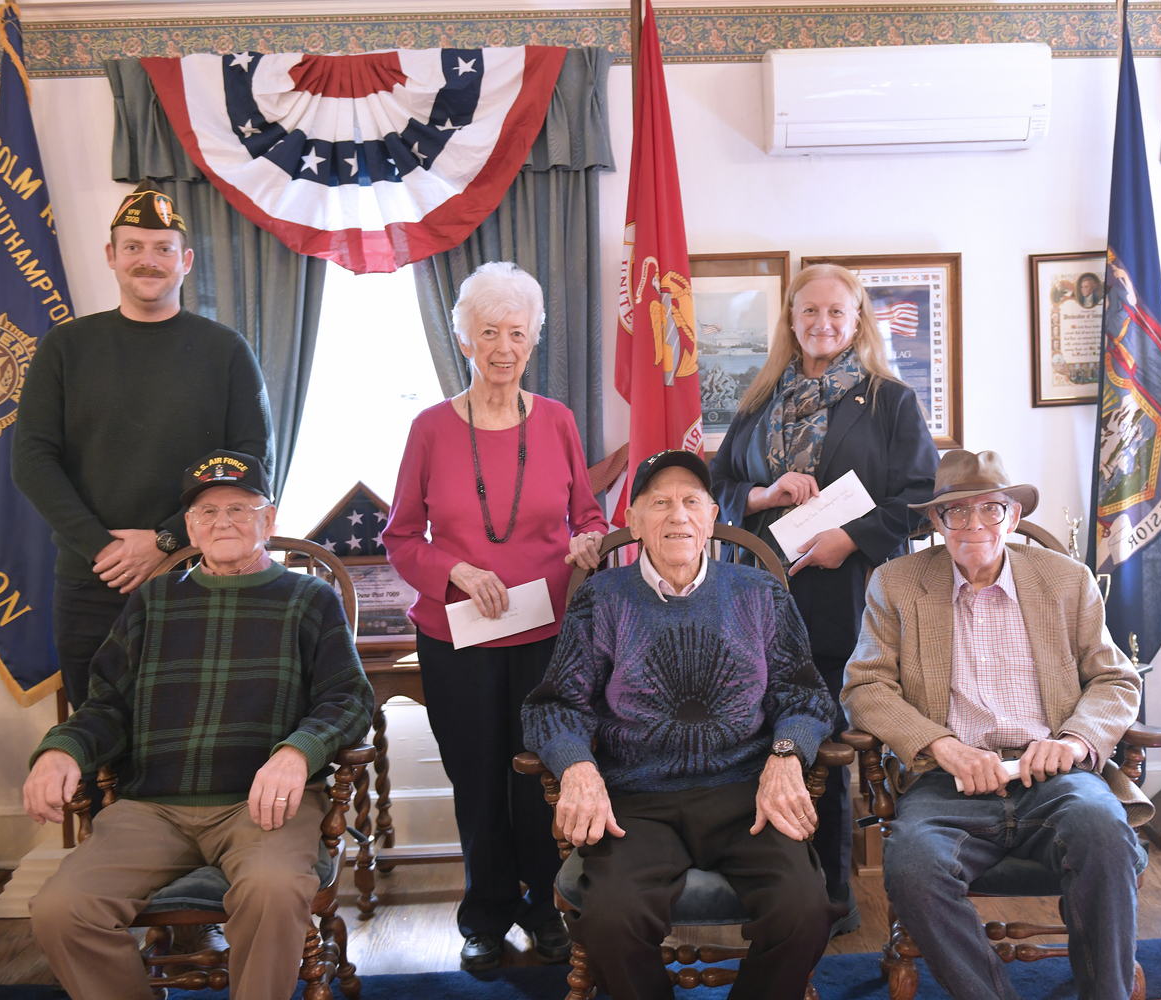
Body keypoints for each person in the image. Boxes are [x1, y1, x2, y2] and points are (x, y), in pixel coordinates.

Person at [23, 449, 373, 1000]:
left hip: (263, 807)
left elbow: (348, 699)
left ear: (269, 518)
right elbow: (106, 703)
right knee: (60, 910)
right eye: (206, 512)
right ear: (189, 525)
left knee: (274, 888)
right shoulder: (152, 601)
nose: (222, 522)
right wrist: (60, 751)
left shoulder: (310, 600)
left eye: (239, 507)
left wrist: (297, 752)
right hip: (152, 808)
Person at [523, 450, 839, 1000]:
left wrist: (787, 754)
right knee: (609, 917)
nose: (678, 516)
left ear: (713, 517)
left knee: (805, 910)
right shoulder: (603, 599)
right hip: (639, 801)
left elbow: (805, 694)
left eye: (692, 502)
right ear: (635, 521)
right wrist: (577, 766)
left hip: (746, 795)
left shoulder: (758, 595)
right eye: (660, 504)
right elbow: (553, 706)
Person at [841, 449, 1149, 1000]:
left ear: (1012, 516)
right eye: (958, 512)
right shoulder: (896, 584)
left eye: (992, 509)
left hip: (1052, 776)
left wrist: (1075, 741)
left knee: (1103, 832)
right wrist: (939, 745)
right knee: (912, 866)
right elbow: (865, 687)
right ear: (936, 522)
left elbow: (1116, 681)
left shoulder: (1067, 581)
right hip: (947, 782)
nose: (976, 525)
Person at [384, 261, 609, 971]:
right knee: (477, 774)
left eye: (517, 332)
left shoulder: (558, 422)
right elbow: (399, 539)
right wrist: (454, 570)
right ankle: (484, 914)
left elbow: (588, 513)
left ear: (534, 338)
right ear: (465, 340)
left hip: (544, 631)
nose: (503, 346)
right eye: (489, 332)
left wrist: (590, 540)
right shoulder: (427, 429)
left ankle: (547, 909)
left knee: (538, 773)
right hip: (455, 633)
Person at [709, 262, 939, 932]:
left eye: (836, 313)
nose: (822, 324)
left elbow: (920, 501)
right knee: (758, 737)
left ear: (857, 320)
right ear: (790, 319)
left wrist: (854, 538)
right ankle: (772, 890)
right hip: (753, 594)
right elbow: (716, 488)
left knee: (826, 744)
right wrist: (764, 495)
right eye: (809, 312)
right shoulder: (756, 398)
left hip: (841, 596)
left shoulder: (889, 401)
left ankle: (831, 897)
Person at [12, 183, 274, 711]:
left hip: (200, 575)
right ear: (111, 256)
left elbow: (253, 466)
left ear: (186, 260)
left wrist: (166, 541)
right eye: (133, 247)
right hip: (92, 582)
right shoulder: (65, 347)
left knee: (198, 727)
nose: (147, 261)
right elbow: (31, 461)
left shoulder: (224, 350)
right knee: (97, 739)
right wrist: (105, 550)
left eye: (162, 248)